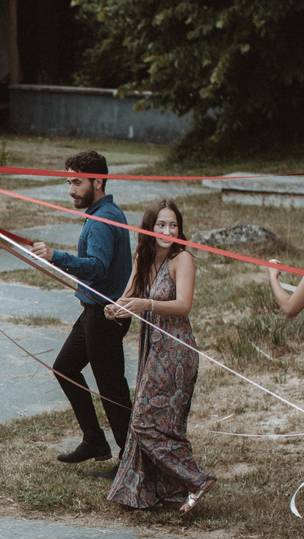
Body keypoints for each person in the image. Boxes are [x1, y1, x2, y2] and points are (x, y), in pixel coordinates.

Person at [104, 199, 215, 512]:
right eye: (161, 225)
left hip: (177, 351)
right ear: (149, 228)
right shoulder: (144, 255)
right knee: (155, 421)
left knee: (146, 422)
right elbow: (129, 295)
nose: (168, 230)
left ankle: (195, 479)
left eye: (173, 225)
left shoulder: (183, 260)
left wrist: (147, 305)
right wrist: (116, 308)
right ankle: (157, 490)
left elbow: (183, 305)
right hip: (153, 347)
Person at [31, 151, 133, 475]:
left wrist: (56, 256)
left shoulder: (104, 219)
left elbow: (98, 269)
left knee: (111, 386)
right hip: (94, 310)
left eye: (76, 181)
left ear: (98, 181)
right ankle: (94, 441)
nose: (71, 189)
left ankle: (131, 459)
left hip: (105, 314)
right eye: (68, 182)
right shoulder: (100, 213)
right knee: (65, 367)